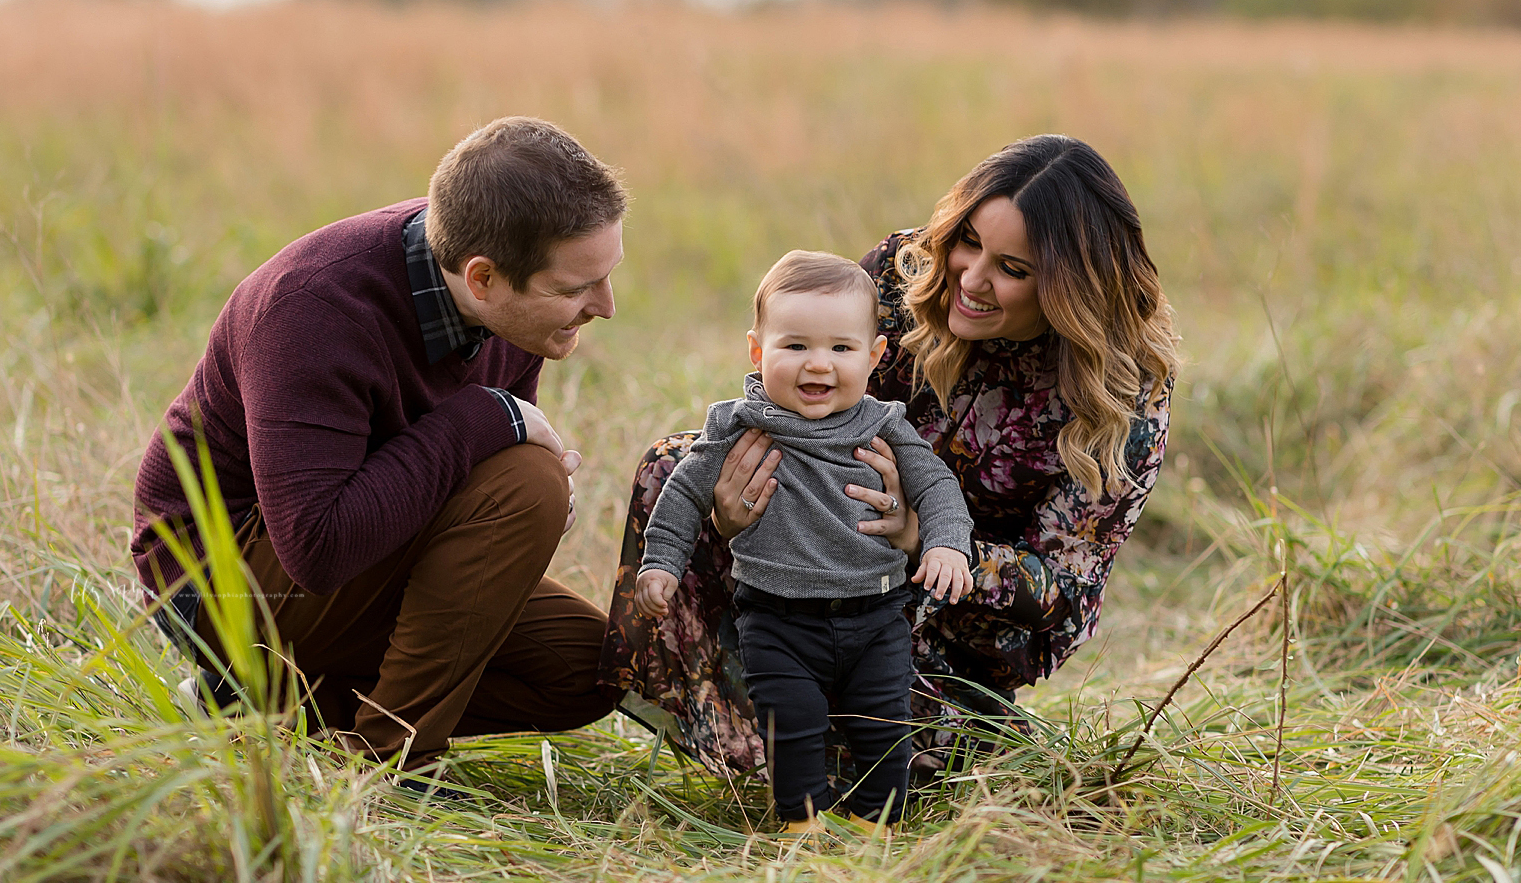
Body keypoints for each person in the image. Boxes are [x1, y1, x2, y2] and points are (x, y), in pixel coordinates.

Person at [603, 135, 1177, 781]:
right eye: (969, 241)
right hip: (817, 556)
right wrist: (734, 513)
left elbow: (1064, 589)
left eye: (1013, 269)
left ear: (1072, 284)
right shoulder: (903, 272)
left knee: (904, 751)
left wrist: (922, 536)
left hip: (951, 631)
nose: (972, 278)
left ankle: (871, 739)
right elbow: (794, 394)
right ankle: (745, 741)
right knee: (672, 468)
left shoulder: (1121, 391)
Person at [130, 116, 627, 777]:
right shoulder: (314, 309)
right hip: (220, 579)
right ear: (482, 279)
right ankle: (388, 763)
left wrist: (506, 486)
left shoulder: (500, 281)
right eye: (573, 289)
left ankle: (272, 704)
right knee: (529, 481)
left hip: (369, 546)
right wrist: (488, 420)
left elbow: (470, 477)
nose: (606, 305)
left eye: (604, 275)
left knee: (592, 672)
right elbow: (318, 546)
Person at [635, 251, 973, 829]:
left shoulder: (883, 423)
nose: (819, 365)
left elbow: (936, 484)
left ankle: (877, 824)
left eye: (841, 349)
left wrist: (945, 543)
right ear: (757, 350)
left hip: (876, 613)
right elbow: (685, 493)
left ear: (874, 357)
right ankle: (801, 825)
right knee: (790, 723)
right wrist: (661, 561)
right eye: (795, 346)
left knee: (885, 725)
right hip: (777, 617)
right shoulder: (739, 423)